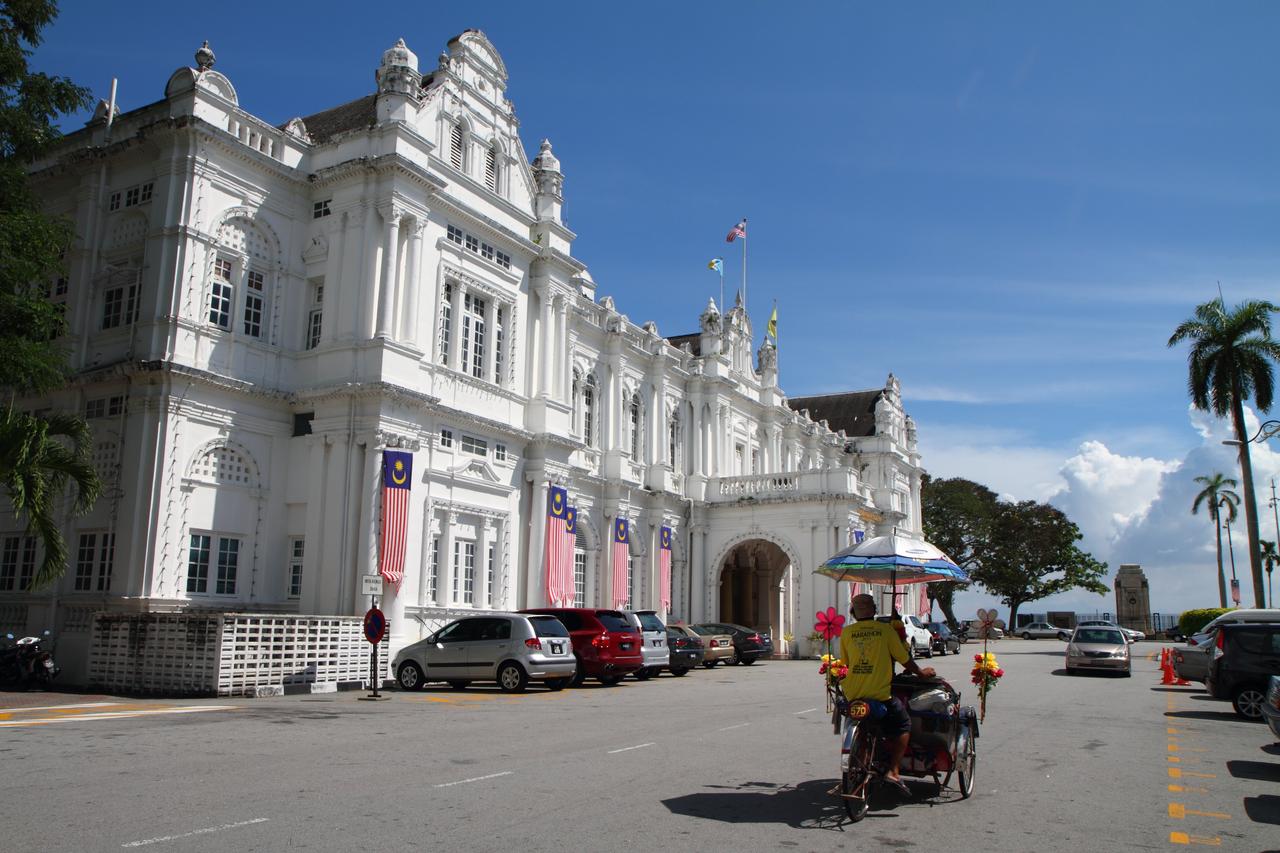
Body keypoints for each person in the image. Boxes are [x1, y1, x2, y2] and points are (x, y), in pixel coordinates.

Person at [838, 593, 936, 794]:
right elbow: (903, 658)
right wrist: (921, 672)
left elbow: (845, 664)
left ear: (853, 613)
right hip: (879, 694)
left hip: (853, 693)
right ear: (873, 611)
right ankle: (893, 770)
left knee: (864, 724)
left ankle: (862, 759)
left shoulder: (846, 633)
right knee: (903, 723)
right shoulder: (885, 630)